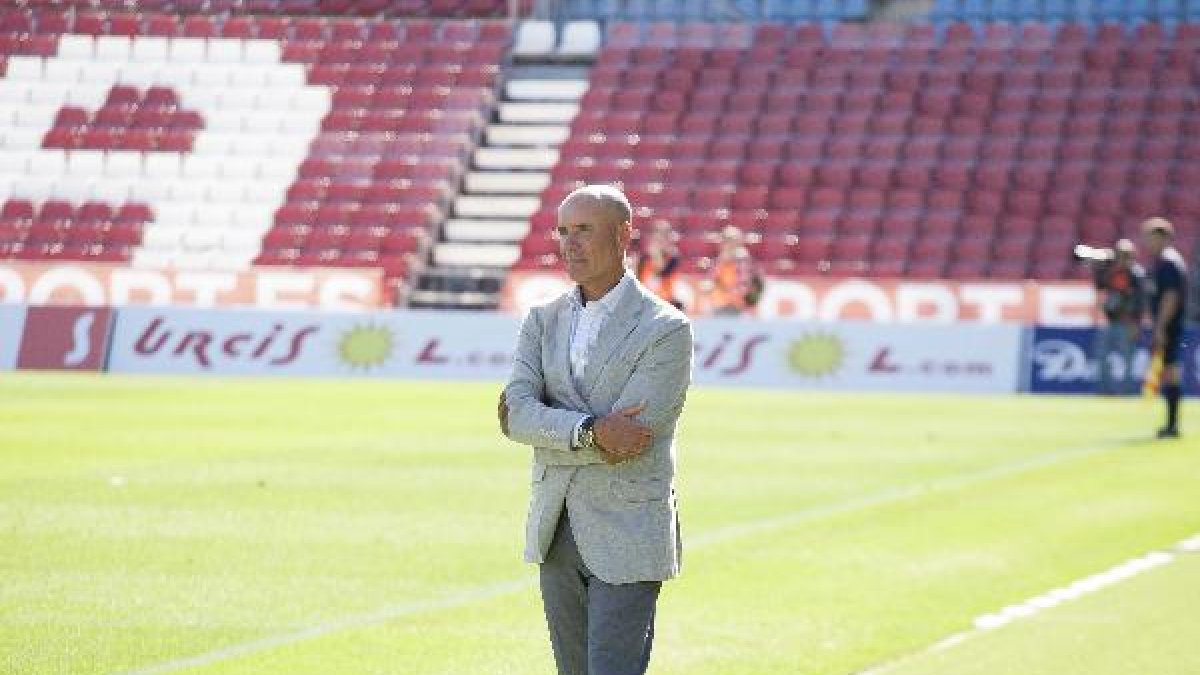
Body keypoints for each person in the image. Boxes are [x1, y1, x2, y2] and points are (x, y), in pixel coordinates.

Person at [497, 184, 693, 675]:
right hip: (555, 526)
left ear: (623, 234)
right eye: (563, 231)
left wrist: (546, 427)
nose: (570, 243)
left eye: (584, 230)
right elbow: (517, 414)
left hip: (630, 529)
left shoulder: (666, 328)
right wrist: (590, 429)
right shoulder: (541, 320)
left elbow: (632, 438)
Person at [1142, 217, 1189, 438]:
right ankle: (1171, 424)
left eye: (1151, 237)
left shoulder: (1169, 263)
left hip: (1169, 325)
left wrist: (1160, 327)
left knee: (1170, 372)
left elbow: (1170, 297)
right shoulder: (1165, 262)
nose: (1147, 242)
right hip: (1168, 324)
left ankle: (1172, 425)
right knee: (1169, 371)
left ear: (1163, 238)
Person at [1092, 239, 1146, 395]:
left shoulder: (1137, 275)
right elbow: (1099, 285)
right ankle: (1105, 391)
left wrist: (1136, 324)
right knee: (1102, 356)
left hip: (1128, 323)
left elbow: (1141, 301)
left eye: (1125, 255)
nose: (1122, 258)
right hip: (1111, 322)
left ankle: (1127, 392)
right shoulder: (1112, 272)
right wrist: (1100, 266)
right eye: (1120, 255)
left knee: (1128, 361)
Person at [706, 225, 764, 316]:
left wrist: (730, 294)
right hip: (719, 304)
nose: (726, 244)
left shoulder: (742, 260)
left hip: (736, 306)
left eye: (730, 240)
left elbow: (744, 285)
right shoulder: (719, 260)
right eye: (725, 240)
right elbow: (712, 279)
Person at [635, 220, 685, 311]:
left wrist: (656, 255)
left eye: (664, 235)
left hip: (667, 303)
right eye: (658, 235)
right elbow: (639, 281)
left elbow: (661, 275)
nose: (661, 239)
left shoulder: (673, 258)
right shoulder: (644, 258)